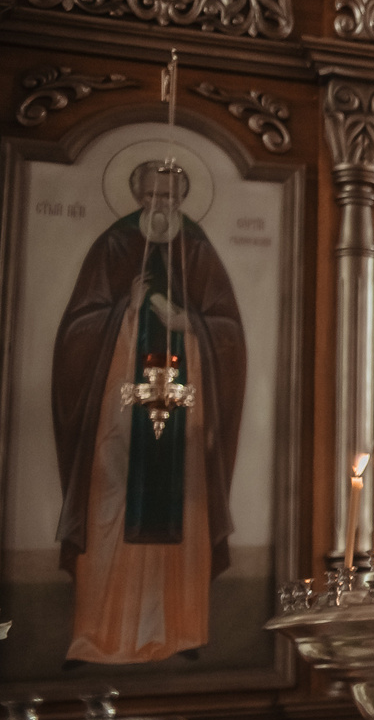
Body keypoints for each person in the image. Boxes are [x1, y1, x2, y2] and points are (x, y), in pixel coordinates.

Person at [52, 156, 246, 666]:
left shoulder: (197, 248)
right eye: (154, 196)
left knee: (185, 503)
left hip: (186, 408)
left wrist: (191, 325)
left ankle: (182, 631)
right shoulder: (114, 245)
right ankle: (98, 636)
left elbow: (227, 326)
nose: (162, 206)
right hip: (117, 410)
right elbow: (78, 329)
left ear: (182, 200)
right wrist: (127, 311)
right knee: (111, 504)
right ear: (139, 197)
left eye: (171, 197)